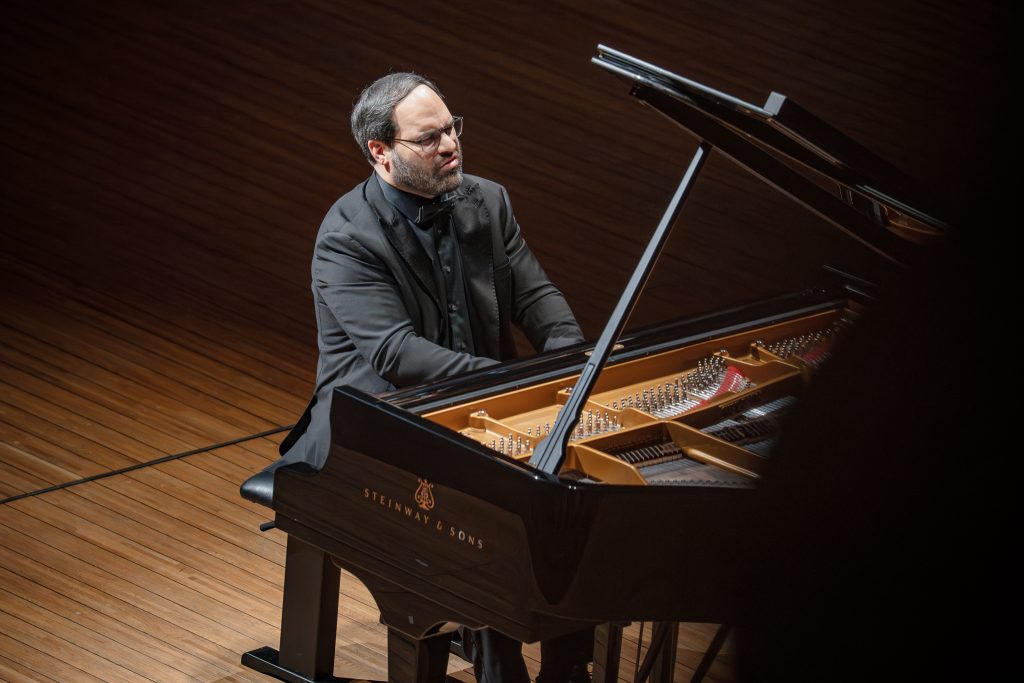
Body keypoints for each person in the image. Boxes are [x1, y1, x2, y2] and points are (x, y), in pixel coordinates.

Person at [279, 71, 592, 683]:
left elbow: (540, 299)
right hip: (373, 426)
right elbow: (398, 356)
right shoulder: (346, 237)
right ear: (381, 151)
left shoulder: (488, 202)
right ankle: (499, 666)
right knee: (488, 508)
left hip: (476, 403)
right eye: (430, 138)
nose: (451, 145)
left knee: (573, 489)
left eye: (453, 128)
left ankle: (566, 664)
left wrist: (570, 363)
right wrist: (515, 388)